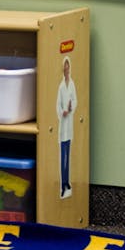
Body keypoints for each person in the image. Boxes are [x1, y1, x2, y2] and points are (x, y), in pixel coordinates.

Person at [57, 55, 77, 199]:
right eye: (65, 67)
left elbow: (75, 100)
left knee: (68, 156)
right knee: (62, 156)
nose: (67, 69)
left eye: (68, 66)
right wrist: (62, 111)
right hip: (63, 123)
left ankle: (67, 182)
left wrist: (71, 107)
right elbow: (57, 104)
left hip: (69, 124)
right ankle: (63, 183)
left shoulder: (72, 84)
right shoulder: (61, 86)